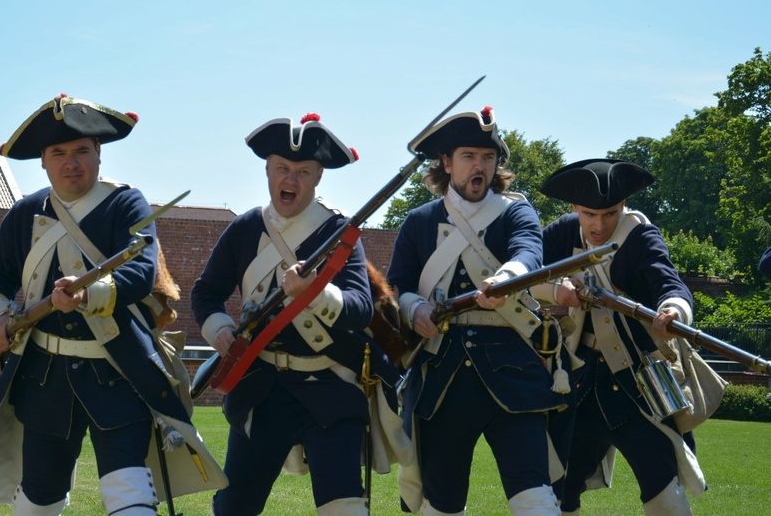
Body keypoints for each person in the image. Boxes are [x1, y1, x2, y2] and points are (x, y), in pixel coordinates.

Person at [0, 94, 225, 515]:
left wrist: (88, 295)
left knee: (129, 495)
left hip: (118, 372)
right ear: (44, 163)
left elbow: (140, 271)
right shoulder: (24, 212)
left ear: (99, 154)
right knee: (37, 500)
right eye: (59, 153)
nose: (72, 163)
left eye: (82, 151)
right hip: (44, 377)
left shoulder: (126, 203)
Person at [191, 113, 405, 516]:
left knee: (345, 507)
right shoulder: (245, 228)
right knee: (234, 507)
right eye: (282, 169)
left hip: (331, 386)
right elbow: (205, 292)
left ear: (319, 176)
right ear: (268, 170)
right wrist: (218, 327)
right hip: (261, 387)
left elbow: (360, 307)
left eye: (303, 171)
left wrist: (316, 292)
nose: (290, 180)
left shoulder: (340, 230)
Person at [387, 107, 569, 516]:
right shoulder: (418, 222)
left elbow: (528, 251)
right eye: (469, 156)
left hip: (513, 373)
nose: (480, 166)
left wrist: (508, 277)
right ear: (447, 163)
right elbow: (397, 285)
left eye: (488, 158)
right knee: (442, 503)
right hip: (442, 379)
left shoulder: (515, 211)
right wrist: (414, 308)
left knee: (535, 495)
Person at [534, 158, 705, 516]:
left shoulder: (641, 236)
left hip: (638, 384)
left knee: (663, 487)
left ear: (623, 206)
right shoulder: (562, 232)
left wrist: (673, 310)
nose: (598, 225)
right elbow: (520, 271)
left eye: (609, 214)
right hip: (577, 384)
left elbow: (670, 284)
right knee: (556, 488)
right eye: (588, 214)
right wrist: (555, 290)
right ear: (574, 209)